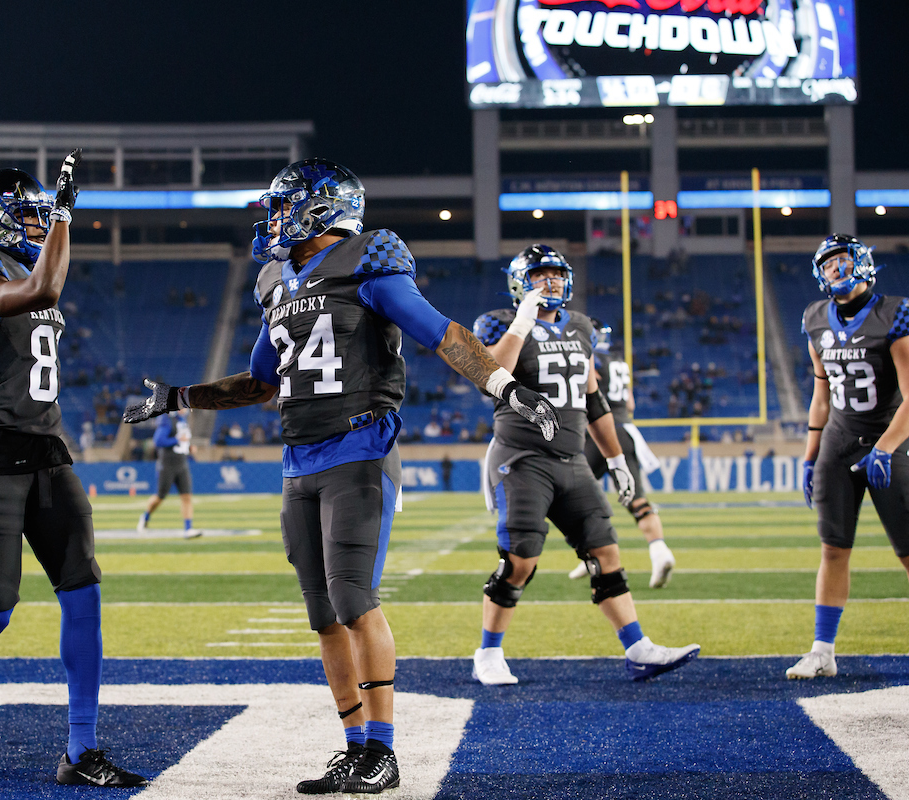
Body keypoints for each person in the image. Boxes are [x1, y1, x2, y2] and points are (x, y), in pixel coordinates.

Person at [124, 158, 559, 795]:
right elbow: (261, 383)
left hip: (358, 450)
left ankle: (383, 752)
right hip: (298, 460)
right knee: (324, 615)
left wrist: (503, 385)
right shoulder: (278, 283)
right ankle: (353, 749)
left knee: (354, 601)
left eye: (285, 205)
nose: (273, 218)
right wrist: (179, 398)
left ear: (321, 207)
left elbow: (441, 335)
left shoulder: (369, 266)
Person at [0, 152, 145, 788]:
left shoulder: (21, 260)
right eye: (28, 213)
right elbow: (42, 290)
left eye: (43, 214)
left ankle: (81, 749)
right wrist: (64, 214)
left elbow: (44, 281)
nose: (38, 222)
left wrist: (56, 222)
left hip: (47, 446)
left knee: (84, 591)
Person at [471, 245, 700, 687]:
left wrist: (616, 460)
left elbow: (595, 400)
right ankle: (489, 651)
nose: (551, 282)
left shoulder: (580, 327)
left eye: (557, 275)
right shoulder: (500, 323)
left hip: (573, 458)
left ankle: (637, 649)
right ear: (521, 280)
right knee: (521, 558)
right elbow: (491, 374)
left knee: (606, 551)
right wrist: (523, 319)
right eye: (540, 274)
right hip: (522, 458)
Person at [788, 234, 909, 679]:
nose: (836, 268)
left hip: (887, 441)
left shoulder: (895, 313)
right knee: (833, 549)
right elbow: (821, 395)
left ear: (863, 262)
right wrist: (811, 456)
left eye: (842, 259)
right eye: (828, 263)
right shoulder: (815, 318)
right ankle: (823, 651)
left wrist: (886, 449)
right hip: (838, 441)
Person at [573, 319, 676, 587]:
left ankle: (590, 554)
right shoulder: (619, 360)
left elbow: (584, 392)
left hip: (598, 432)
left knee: (571, 496)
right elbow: (629, 402)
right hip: (626, 430)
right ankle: (659, 550)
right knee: (637, 499)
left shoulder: (590, 357)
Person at [138, 409, 195, 534]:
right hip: (167, 464)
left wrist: (189, 447)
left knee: (186, 496)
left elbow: (182, 441)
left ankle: (188, 528)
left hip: (182, 463)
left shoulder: (183, 421)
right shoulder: (167, 420)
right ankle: (145, 516)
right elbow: (158, 441)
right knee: (160, 497)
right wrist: (178, 440)